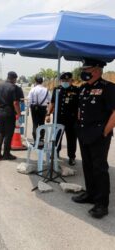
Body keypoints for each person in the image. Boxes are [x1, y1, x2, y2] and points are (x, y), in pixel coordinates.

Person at [72, 59, 115, 219]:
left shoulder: (108, 88)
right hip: (84, 133)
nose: (83, 72)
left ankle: (102, 204)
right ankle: (90, 194)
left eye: (87, 69)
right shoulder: (84, 88)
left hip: (98, 136)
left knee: (100, 169)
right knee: (87, 166)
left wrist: (104, 132)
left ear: (97, 70)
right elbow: (80, 109)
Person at [46, 72, 79, 165]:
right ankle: (56, 153)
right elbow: (52, 103)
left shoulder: (76, 90)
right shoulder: (57, 89)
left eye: (67, 80)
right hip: (58, 118)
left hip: (72, 120)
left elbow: (80, 106)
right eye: (63, 80)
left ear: (71, 80)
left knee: (72, 139)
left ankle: (72, 157)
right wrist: (48, 114)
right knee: (57, 137)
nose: (65, 82)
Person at [0, 71, 21, 161]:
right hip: (9, 113)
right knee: (9, 134)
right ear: (14, 79)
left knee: (1, 132)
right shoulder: (14, 88)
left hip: (0, 112)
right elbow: (15, 103)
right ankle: (6, 154)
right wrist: (19, 113)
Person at [28, 76, 50, 142]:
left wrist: (29, 108)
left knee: (35, 124)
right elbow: (50, 100)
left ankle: (35, 139)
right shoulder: (46, 90)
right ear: (42, 81)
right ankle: (41, 139)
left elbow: (29, 100)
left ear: (35, 81)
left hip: (34, 107)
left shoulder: (33, 89)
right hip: (43, 108)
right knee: (42, 123)